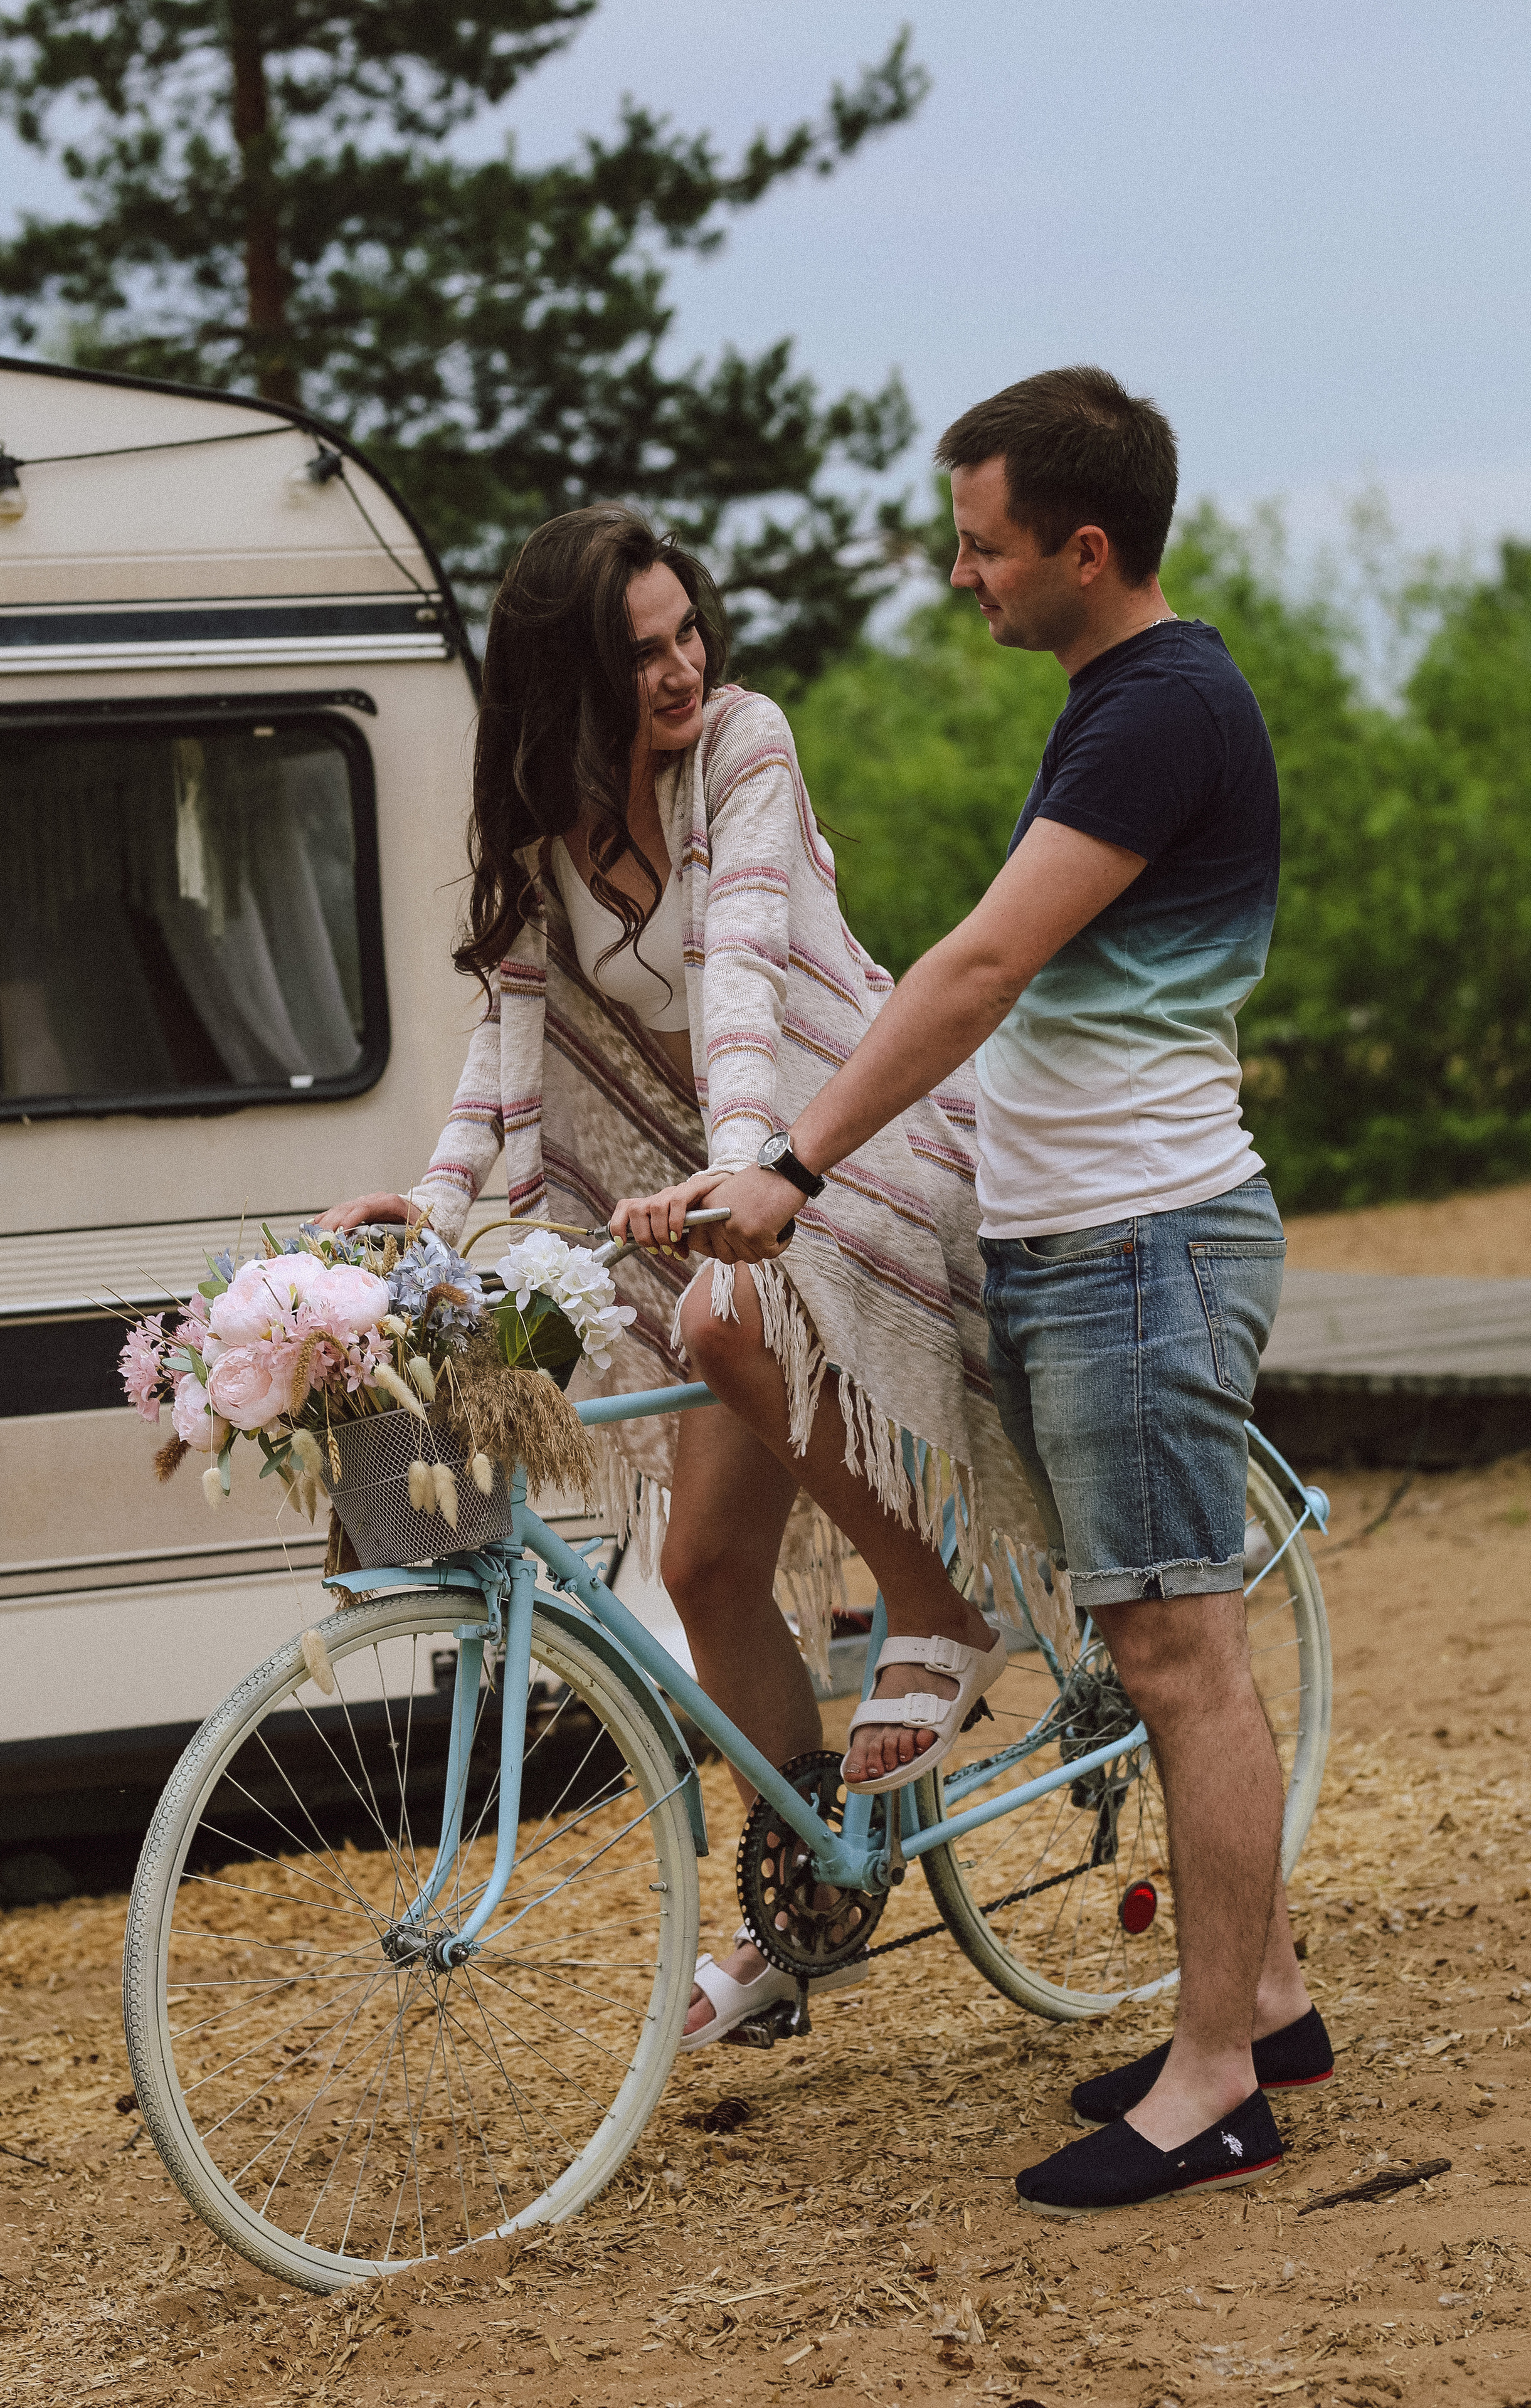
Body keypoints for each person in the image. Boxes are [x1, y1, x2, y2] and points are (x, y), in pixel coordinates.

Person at [672, 367, 1333, 2212]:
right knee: (1158, 1646)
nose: (962, 575)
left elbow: (975, 971)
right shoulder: (1119, 703)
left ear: (1085, 549)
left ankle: (1217, 2086)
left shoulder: (1158, 709)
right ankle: (1265, 2004)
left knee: (1177, 1657)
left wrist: (794, 1168)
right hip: (1085, 1241)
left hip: (1141, 1245)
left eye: (983, 547)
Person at [319, 504, 1034, 2052]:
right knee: (706, 1570)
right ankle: (803, 1909)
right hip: (733, 1190)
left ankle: (938, 1608)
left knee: (718, 1315)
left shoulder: (742, 749)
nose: (681, 668)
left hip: (851, 1144)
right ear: (566, 683)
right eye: (640, 653)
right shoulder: (542, 829)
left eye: (687, 630)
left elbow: (747, 969)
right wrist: (426, 1218)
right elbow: (507, 1049)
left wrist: (743, 1172)